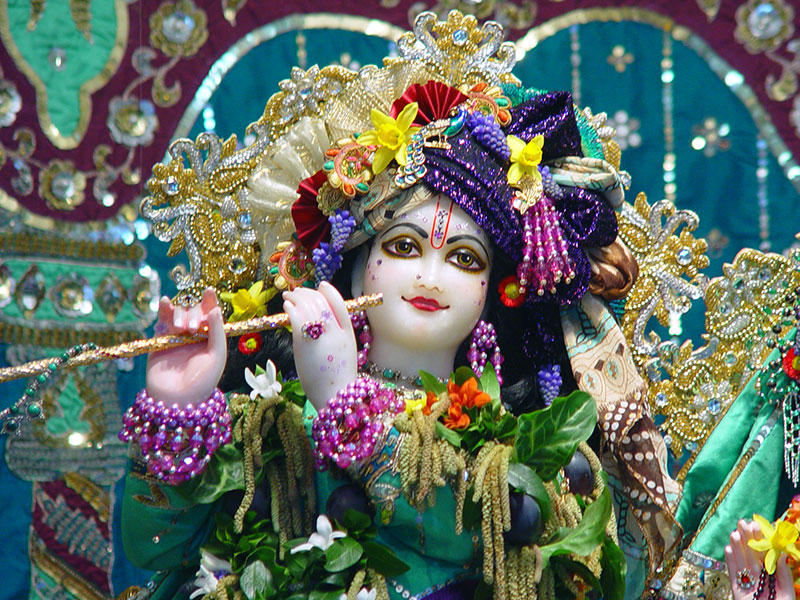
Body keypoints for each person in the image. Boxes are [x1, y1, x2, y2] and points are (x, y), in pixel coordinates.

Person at [119, 11, 684, 600]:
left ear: (496, 292)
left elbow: (472, 532)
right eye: (404, 246)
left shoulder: (531, 460)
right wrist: (176, 410)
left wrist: (345, 403)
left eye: (465, 259)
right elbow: (154, 551)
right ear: (354, 262)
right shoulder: (274, 423)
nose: (430, 276)